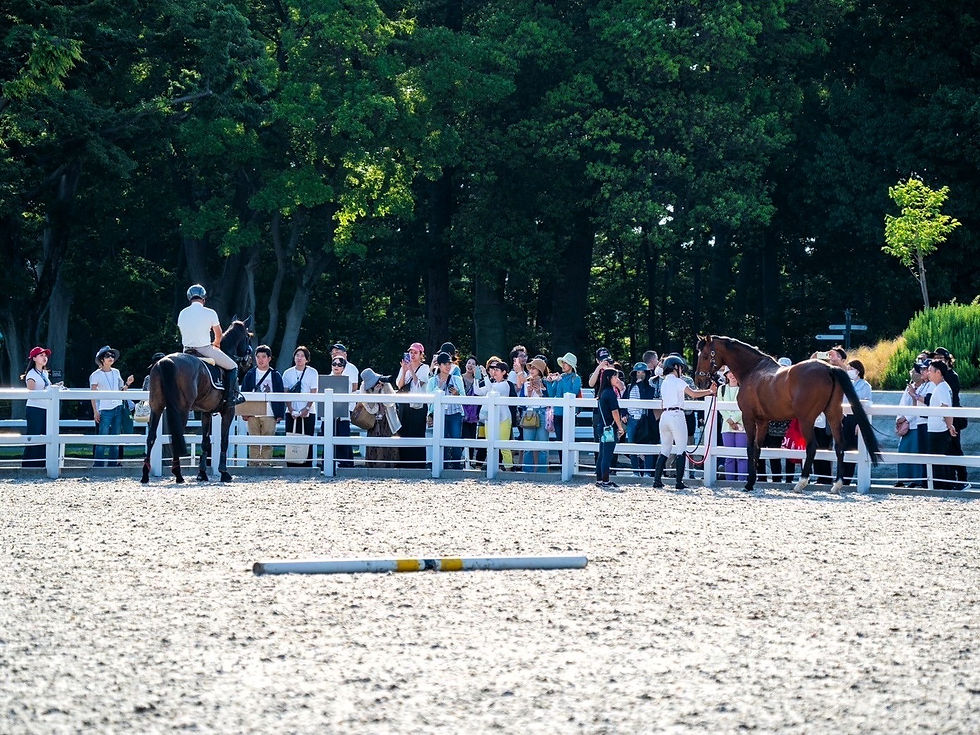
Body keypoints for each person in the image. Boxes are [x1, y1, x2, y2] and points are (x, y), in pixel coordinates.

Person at [653, 355, 717, 489]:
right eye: (680, 367)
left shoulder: (664, 382)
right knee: (681, 449)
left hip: (665, 415)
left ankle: (657, 480)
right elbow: (693, 394)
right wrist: (710, 391)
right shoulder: (678, 381)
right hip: (677, 415)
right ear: (676, 367)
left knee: (665, 449)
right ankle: (678, 482)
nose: (681, 370)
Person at [176, 284, 245, 406]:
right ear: (203, 299)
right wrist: (216, 344)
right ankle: (229, 399)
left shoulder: (182, 313)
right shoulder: (210, 312)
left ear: (189, 298)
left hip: (185, 352)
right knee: (233, 366)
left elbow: (183, 332)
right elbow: (218, 334)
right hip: (205, 349)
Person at [915, 359, 957, 489]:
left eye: (930, 370)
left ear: (938, 372)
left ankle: (941, 487)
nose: (928, 373)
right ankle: (939, 485)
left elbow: (945, 407)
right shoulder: (941, 387)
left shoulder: (942, 388)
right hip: (936, 428)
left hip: (938, 430)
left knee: (937, 461)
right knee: (936, 460)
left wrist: (949, 426)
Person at [89, 345, 135, 467]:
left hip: (118, 407)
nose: (111, 358)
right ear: (102, 359)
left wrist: (127, 384)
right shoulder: (95, 375)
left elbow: (121, 389)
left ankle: (112, 464)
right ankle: (98, 464)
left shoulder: (116, 372)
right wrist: (95, 411)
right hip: (104, 409)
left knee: (116, 437)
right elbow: (92, 395)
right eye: (107, 356)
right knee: (102, 437)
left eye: (112, 356)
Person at [241, 345, 285, 466]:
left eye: (264, 357)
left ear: (269, 358)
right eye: (258, 357)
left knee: (268, 441)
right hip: (252, 413)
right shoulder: (250, 374)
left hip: (270, 412)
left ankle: (266, 464)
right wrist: (244, 412)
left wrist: (279, 413)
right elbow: (244, 393)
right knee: (253, 441)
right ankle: (253, 465)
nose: (261, 360)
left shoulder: (275, 375)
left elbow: (280, 395)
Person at [472, 358, 515, 469]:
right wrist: (476, 378)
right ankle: (492, 467)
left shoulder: (505, 385)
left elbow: (492, 390)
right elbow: (477, 391)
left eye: (497, 370)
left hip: (503, 418)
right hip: (489, 418)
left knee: (504, 446)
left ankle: (508, 468)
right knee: (489, 445)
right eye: (493, 370)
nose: (494, 372)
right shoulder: (492, 383)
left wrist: (485, 376)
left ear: (504, 372)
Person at [426, 352, 466, 469]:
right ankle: (442, 465)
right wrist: (439, 386)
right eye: (445, 364)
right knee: (440, 439)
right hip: (439, 414)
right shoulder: (433, 381)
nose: (448, 366)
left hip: (455, 413)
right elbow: (429, 399)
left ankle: (456, 465)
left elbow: (464, 398)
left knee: (455, 439)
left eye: (449, 363)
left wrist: (457, 394)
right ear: (439, 365)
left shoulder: (457, 379)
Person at [935, 347, 967, 487]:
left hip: (953, 416)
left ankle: (962, 480)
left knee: (955, 448)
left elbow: (951, 398)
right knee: (946, 449)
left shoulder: (952, 376)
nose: (938, 360)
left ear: (948, 360)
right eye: (936, 358)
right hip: (944, 416)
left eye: (941, 358)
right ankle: (951, 480)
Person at [282, 345, 318, 467]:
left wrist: (307, 408)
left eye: (302, 356)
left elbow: (314, 391)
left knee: (307, 438)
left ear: (307, 359)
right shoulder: (288, 373)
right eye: (297, 355)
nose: (299, 358)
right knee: (291, 437)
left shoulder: (312, 372)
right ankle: (292, 464)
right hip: (291, 411)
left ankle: (307, 465)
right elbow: (285, 392)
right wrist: (291, 409)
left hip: (309, 411)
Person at [395, 342, 430, 469]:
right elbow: (400, 385)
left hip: (418, 405)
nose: (412, 355)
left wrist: (411, 370)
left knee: (417, 432)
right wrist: (404, 371)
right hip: (405, 404)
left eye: (415, 352)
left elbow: (419, 384)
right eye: (411, 352)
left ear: (421, 355)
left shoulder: (425, 368)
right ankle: (403, 462)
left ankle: (418, 463)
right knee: (404, 432)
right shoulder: (404, 367)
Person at [357, 368, 401, 467]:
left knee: (389, 443)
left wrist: (384, 388)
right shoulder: (363, 387)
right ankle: (373, 466)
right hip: (373, 422)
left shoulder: (385, 382)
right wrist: (375, 393)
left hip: (387, 419)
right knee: (374, 445)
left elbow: (390, 402)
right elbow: (370, 409)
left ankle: (390, 466)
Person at [761, 356, 793, 482]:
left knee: (789, 453)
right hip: (770, 425)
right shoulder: (768, 384)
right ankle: (773, 479)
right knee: (771, 453)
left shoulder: (793, 386)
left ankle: (788, 479)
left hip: (787, 426)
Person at [840, 359, 873, 485]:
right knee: (843, 447)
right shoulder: (847, 384)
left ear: (858, 371)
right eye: (848, 369)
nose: (849, 371)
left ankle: (848, 478)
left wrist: (860, 423)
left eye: (851, 369)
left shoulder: (865, 386)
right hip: (845, 418)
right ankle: (842, 477)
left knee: (853, 447)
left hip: (856, 419)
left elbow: (866, 405)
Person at [595, 368, 626, 490]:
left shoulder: (602, 392)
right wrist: (620, 427)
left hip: (602, 426)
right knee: (607, 455)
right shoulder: (611, 393)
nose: (617, 379)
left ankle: (599, 479)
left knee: (602, 454)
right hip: (609, 428)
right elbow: (615, 412)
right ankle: (606, 480)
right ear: (609, 378)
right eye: (615, 377)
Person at [22, 346, 53, 468]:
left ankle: (41, 464)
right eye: (41, 355)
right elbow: (31, 392)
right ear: (34, 358)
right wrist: (48, 389)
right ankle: (29, 465)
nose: (44, 358)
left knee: (45, 436)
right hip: (35, 408)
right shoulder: (31, 374)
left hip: (46, 408)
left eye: (45, 355)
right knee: (34, 436)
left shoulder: (45, 373)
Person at [896, 364, 926, 487]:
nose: (912, 373)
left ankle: (916, 479)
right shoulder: (909, 387)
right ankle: (902, 478)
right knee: (903, 450)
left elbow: (918, 406)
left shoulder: (923, 388)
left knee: (915, 451)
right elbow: (902, 404)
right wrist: (899, 419)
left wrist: (906, 419)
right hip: (905, 425)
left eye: (915, 371)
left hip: (915, 425)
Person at [624, 362, 656, 476]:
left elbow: (646, 399)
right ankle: (635, 471)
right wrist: (624, 414)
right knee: (631, 445)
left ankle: (647, 472)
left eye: (642, 372)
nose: (640, 374)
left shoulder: (650, 388)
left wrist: (641, 385)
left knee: (647, 446)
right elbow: (624, 402)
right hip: (632, 419)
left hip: (644, 419)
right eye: (638, 372)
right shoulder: (629, 387)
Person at [521, 358, 551, 473]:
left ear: (540, 370)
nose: (532, 370)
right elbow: (522, 403)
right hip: (530, 412)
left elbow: (550, 400)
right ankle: (527, 470)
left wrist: (539, 392)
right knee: (528, 446)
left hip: (543, 412)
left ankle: (542, 472)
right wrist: (528, 394)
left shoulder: (547, 383)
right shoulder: (526, 383)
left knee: (543, 446)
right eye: (531, 368)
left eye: (534, 368)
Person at [718, 367, 748, 482]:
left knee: (741, 455)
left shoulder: (743, 388)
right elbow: (720, 407)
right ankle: (729, 480)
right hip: (726, 426)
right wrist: (730, 420)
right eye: (729, 372)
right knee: (729, 456)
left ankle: (742, 480)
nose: (732, 375)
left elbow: (744, 406)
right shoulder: (722, 389)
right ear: (726, 375)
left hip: (741, 425)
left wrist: (735, 419)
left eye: (734, 372)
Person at [545, 352, 582, 442]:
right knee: (559, 440)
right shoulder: (560, 377)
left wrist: (560, 381)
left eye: (565, 363)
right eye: (563, 363)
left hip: (569, 413)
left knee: (568, 440)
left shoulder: (576, 378)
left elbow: (572, 393)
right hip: (557, 413)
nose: (563, 365)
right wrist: (549, 382)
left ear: (571, 365)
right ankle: (562, 457)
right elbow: (551, 394)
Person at [329, 355, 354, 468]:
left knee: (343, 439)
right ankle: (328, 462)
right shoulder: (326, 379)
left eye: (339, 365)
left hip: (343, 415)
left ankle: (346, 464)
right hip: (329, 416)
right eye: (334, 364)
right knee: (329, 439)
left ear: (343, 367)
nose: (336, 366)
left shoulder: (347, 380)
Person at [460, 356, 481, 466]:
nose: (470, 365)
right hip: (462, 412)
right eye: (468, 363)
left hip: (474, 414)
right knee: (462, 436)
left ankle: (470, 462)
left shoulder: (477, 381)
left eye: (473, 364)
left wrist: (478, 374)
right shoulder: (459, 378)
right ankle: (460, 461)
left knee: (472, 437)